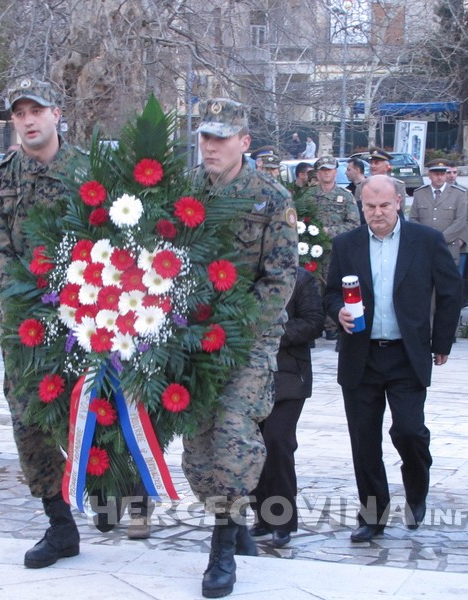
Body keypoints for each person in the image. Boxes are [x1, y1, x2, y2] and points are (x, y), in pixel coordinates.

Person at [187, 97, 298, 598]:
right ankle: (233, 525)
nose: (210, 146)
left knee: (233, 434)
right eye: (205, 137)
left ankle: (221, 551)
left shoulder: (270, 197)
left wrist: (236, 328)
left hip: (248, 341)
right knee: (198, 448)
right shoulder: (186, 191)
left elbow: (279, 279)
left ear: (244, 143)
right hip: (190, 338)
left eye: (221, 137)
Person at [0, 78, 88, 570]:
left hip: (91, 318)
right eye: (18, 112)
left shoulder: (89, 172)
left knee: (96, 411)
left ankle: (112, 492)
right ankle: (59, 525)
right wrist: (29, 308)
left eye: (35, 110)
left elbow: (117, 235)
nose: (27, 120)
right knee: (30, 422)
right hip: (25, 324)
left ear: (56, 113)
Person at [323, 175, 462, 543]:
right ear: (361, 207)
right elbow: (331, 293)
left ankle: (417, 487)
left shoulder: (426, 241)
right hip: (361, 354)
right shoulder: (346, 244)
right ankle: (373, 515)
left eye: (384, 205)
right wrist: (338, 311)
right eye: (370, 206)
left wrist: (442, 341)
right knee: (364, 441)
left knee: (410, 430)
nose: (378, 213)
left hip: (406, 354)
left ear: (399, 202)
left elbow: (450, 292)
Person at [249, 266, 324, 548]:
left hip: (290, 376)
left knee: (277, 441)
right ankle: (262, 516)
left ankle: (282, 520)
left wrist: (272, 333)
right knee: (253, 446)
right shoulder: (246, 275)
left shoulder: (301, 278)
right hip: (250, 377)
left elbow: (314, 321)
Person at [300, 156, 360, 340]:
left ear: (336, 172)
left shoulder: (346, 196)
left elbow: (354, 224)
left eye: (330, 169)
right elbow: (300, 222)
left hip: (336, 251)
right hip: (313, 253)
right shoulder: (308, 197)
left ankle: (333, 326)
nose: (326, 173)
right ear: (317, 173)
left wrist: (327, 231)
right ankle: (314, 326)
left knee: (335, 288)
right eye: (323, 170)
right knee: (313, 290)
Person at [408, 159, 468, 267]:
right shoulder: (419, 193)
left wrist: (439, 239)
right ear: (429, 175)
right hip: (424, 248)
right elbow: (413, 218)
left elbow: (460, 221)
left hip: (448, 248)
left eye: (442, 174)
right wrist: (427, 237)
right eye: (436, 174)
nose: (440, 177)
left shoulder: (458, 194)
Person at [354, 148, 406, 224]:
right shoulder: (361, 186)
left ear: (386, 167)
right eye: (371, 163)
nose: (372, 166)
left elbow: (399, 211)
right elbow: (358, 212)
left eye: (376, 163)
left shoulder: (397, 185)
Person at [445, 162, 468, 282]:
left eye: (454, 172)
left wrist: (462, 239)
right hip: (439, 242)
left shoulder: (465, 192)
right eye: (448, 173)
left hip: (459, 245)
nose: (452, 176)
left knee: (456, 280)